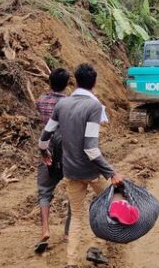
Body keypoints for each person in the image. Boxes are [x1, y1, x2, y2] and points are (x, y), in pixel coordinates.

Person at [39, 63, 125, 267]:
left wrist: (45, 152)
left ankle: (71, 262)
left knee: (77, 216)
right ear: (94, 84)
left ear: (75, 82)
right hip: (91, 171)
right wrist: (112, 173)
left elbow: (43, 139)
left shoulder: (62, 105)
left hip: (70, 171)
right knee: (107, 206)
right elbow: (91, 149)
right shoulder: (94, 106)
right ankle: (96, 247)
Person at [34, 68, 71, 254]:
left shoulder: (40, 101)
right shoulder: (70, 103)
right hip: (68, 153)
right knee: (75, 190)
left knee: (44, 192)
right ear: (67, 84)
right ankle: (67, 232)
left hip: (47, 151)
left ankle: (45, 230)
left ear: (49, 82)